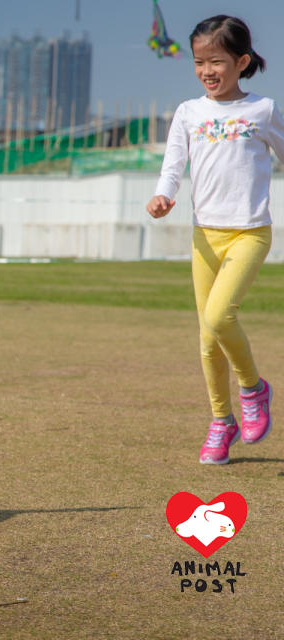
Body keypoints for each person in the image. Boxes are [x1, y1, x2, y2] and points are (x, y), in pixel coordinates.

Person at [147, 15, 284, 464]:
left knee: (221, 317)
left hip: (249, 232)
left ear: (241, 61)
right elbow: (173, 164)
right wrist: (164, 196)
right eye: (199, 61)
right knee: (207, 339)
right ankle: (222, 422)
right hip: (204, 236)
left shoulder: (262, 110)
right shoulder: (189, 112)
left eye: (217, 61)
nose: (207, 70)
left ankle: (253, 388)